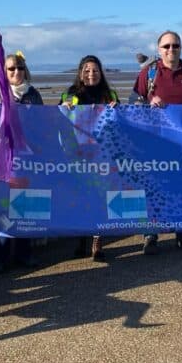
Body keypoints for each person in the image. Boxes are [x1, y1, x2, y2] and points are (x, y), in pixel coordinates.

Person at [132, 30, 182, 254]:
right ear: (159, 49)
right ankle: (150, 235)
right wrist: (148, 99)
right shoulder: (149, 72)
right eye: (166, 46)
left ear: (181, 48)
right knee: (152, 186)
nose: (171, 49)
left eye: (175, 45)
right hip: (154, 141)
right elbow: (133, 100)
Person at [0, 51, 43, 272]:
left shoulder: (33, 95)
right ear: (3, 73)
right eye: (11, 69)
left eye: (20, 68)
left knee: (25, 205)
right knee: (3, 205)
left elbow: (41, 124)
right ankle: (0, 255)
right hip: (4, 161)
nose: (16, 72)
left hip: (28, 159)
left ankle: (24, 253)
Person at [61, 54, 119, 262]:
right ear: (80, 73)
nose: (91, 74)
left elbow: (120, 122)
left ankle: (97, 241)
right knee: (81, 196)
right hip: (78, 154)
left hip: (102, 155)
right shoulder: (71, 94)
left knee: (100, 196)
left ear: (101, 73)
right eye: (87, 70)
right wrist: (64, 109)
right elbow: (60, 120)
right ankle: (81, 240)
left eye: (95, 70)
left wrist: (117, 110)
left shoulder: (109, 94)